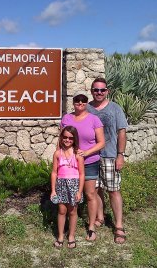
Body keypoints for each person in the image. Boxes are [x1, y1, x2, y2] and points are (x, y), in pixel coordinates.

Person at [88, 77, 128, 244]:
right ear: (91, 91)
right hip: (91, 156)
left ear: (107, 91)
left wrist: (120, 154)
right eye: (96, 90)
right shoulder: (87, 108)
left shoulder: (115, 108)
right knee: (96, 190)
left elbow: (122, 133)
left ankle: (118, 226)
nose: (99, 92)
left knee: (113, 190)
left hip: (110, 155)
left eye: (102, 90)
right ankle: (100, 216)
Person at [60, 92, 105, 241]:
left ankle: (91, 227)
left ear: (87, 103)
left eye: (83, 101)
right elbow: (61, 139)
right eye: (77, 101)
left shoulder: (94, 119)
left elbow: (101, 142)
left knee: (90, 194)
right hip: (69, 164)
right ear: (73, 103)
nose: (80, 103)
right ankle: (66, 226)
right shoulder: (66, 118)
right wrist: (59, 156)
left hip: (89, 162)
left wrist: (86, 152)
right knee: (68, 196)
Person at [51, 126, 85, 249]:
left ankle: (71, 236)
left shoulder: (78, 155)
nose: (67, 140)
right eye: (65, 137)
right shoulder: (57, 154)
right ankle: (60, 236)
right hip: (61, 185)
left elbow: (81, 174)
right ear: (61, 138)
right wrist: (53, 190)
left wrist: (80, 191)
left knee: (72, 211)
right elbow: (54, 172)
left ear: (74, 139)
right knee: (62, 211)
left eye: (70, 138)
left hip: (74, 185)